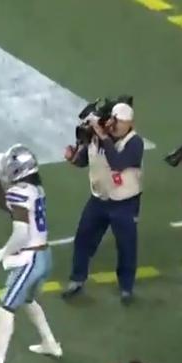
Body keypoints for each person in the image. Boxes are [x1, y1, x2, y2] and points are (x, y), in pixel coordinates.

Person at [0, 144, 62, 363]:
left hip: (30, 260)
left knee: (5, 308)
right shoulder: (35, 190)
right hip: (44, 256)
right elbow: (5, 204)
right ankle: (50, 343)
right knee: (29, 300)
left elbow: (21, 234)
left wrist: (0, 254)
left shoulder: (19, 192)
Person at [62, 103, 144, 305]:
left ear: (130, 124)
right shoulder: (97, 137)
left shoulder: (135, 143)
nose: (116, 125)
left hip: (125, 203)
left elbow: (117, 162)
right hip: (98, 200)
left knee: (126, 246)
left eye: (121, 122)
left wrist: (104, 136)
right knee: (83, 238)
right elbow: (84, 159)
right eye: (114, 121)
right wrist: (73, 157)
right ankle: (77, 279)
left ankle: (126, 288)